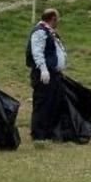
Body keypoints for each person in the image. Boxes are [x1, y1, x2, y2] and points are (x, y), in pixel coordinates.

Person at [26, 8, 67, 141]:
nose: (59, 21)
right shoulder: (39, 31)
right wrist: (43, 69)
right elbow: (37, 52)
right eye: (58, 18)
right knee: (42, 103)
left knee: (52, 103)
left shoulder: (49, 31)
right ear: (52, 18)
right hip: (43, 74)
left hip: (53, 73)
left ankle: (49, 131)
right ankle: (38, 133)